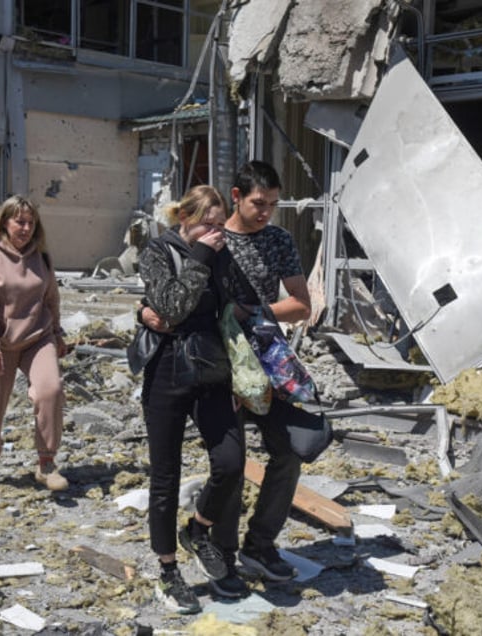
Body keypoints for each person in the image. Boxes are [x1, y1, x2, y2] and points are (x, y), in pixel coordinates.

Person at [141, 161, 311, 584]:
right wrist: (143, 312)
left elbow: (301, 304)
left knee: (291, 449)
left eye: (273, 204)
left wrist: (251, 314)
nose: (267, 211)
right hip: (216, 363)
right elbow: (172, 302)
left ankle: (260, 545)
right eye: (259, 203)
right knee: (227, 464)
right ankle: (222, 551)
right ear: (236, 197)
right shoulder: (216, 244)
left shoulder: (277, 241)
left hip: (265, 359)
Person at [137, 185, 247, 614]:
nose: (216, 233)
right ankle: (168, 570)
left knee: (231, 462)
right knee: (165, 475)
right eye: (207, 224)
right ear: (185, 219)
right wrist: (200, 255)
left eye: (220, 226)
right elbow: (171, 305)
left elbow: (232, 309)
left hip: (213, 367)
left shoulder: (223, 254)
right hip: (166, 368)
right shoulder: (158, 252)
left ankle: (198, 531)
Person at [0, 195, 69, 499]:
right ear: (5, 222)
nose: (25, 227)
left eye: (30, 222)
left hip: (38, 338)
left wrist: (58, 333)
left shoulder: (42, 258)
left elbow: (51, 300)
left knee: (50, 391)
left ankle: (46, 464)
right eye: (19, 221)